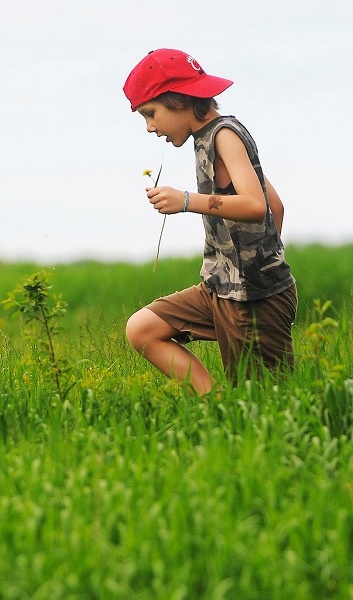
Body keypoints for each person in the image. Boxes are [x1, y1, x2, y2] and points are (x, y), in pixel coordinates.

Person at [122, 48, 297, 396]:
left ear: (178, 100)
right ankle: (215, 403)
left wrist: (187, 201)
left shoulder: (224, 135)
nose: (149, 127)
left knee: (267, 406)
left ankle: (231, 414)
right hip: (220, 288)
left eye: (150, 113)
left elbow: (256, 205)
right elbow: (275, 204)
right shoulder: (205, 139)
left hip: (253, 298)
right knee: (142, 329)